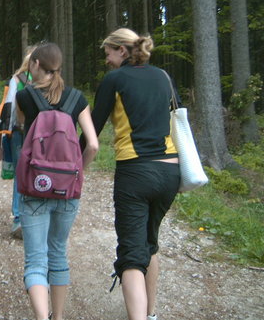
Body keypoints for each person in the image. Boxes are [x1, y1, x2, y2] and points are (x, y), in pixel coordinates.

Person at [89, 28, 180, 320]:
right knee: (149, 243)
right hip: (170, 172)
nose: (107, 60)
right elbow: (178, 116)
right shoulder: (164, 76)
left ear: (122, 51)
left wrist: (72, 161)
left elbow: (94, 125)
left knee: (131, 254)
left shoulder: (115, 80)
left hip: (135, 171)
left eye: (108, 53)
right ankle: (150, 314)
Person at [15, 43, 99, 320]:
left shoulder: (25, 97)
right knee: (58, 252)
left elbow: (20, 133)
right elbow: (94, 145)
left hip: (35, 187)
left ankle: (42, 317)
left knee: (36, 259)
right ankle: (58, 316)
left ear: (36, 64)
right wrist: (78, 172)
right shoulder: (77, 98)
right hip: (67, 189)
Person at [0, 45, 36, 239]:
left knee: (21, 174)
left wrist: (3, 137)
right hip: (41, 134)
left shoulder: (16, 79)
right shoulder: (48, 79)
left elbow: (8, 108)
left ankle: (18, 218)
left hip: (19, 132)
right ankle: (35, 217)